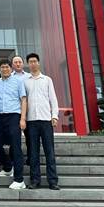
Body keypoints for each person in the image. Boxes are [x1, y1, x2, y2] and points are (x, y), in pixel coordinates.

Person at [24, 53, 60, 190]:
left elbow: (53, 99)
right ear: (28, 64)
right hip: (31, 121)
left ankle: (53, 181)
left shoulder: (47, 80)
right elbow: (23, 101)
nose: (33, 63)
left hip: (46, 121)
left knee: (49, 151)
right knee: (33, 152)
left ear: (38, 63)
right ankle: (35, 180)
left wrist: (54, 116)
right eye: (30, 61)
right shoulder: (25, 81)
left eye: (35, 61)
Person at [0, 59, 27, 190]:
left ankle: (19, 180)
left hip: (14, 115)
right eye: (2, 67)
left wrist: (23, 119)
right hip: (0, 116)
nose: (5, 69)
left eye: (7, 67)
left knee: (16, 147)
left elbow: (23, 100)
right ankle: (7, 168)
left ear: (11, 69)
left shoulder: (18, 81)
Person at [12, 55, 31, 166]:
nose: (18, 64)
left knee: (29, 136)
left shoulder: (29, 77)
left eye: (19, 62)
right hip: (14, 111)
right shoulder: (9, 77)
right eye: (15, 62)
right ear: (12, 65)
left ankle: (30, 158)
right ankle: (15, 159)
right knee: (14, 137)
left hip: (29, 111)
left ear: (23, 64)